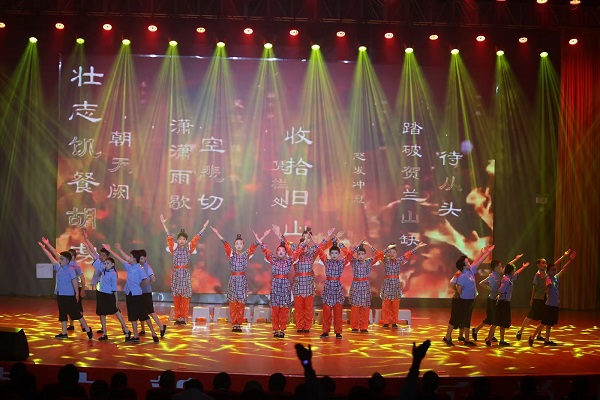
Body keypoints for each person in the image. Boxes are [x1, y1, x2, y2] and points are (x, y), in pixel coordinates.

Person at [212, 227, 269, 332]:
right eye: (237, 244)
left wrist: (263, 236)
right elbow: (225, 243)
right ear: (234, 245)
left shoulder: (245, 255)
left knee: (241, 304)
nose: (238, 245)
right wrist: (217, 233)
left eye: (240, 244)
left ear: (243, 246)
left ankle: (239, 323)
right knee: (233, 303)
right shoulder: (231, 254)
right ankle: (234, 323)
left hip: (242, 280)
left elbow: (254, 245)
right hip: (233, 280)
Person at [274, 225, 328, 333]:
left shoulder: (312, 251)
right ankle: (299, 325)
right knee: (298, 306)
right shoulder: (295, 248)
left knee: (308, 307)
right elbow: (286, 244)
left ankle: (307, 326)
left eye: (308, 238)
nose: (306, 240)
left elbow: (322, 246)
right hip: (298, 282)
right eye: (304, 237)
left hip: (309, 282)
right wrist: (279, 234)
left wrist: (327, 236)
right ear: (301, 238)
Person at [160, 214, 210, 325]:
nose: (182, 241)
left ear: (186, 241)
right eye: (180, 239)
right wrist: (163, 224)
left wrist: (204, 228)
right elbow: (168, 236)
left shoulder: (189, 248)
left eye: (184, 239)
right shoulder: (173, 248)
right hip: (176, 274)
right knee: (176, 296)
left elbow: (196, 238)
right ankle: (178, 317)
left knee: (185, 297)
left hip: (185, 274)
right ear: (177, 240)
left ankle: (183, 317)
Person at [38, 242, 94, 340]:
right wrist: (44, 248)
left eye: (62, 259)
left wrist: (77, 293)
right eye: (60, 259)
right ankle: (64, 333)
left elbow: (75, 282)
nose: (59, 260)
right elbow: (50, 256)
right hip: (61, 295)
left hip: (69, 296)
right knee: (63, 313)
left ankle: (87, 329)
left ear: (68, 260)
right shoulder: (58, 267)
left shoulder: (71, 269)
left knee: (76, 314)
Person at [81, 229, 130, 340]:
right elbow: (93, 255)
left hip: (109, 295)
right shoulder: (103, 267)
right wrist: (87, 245)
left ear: (111, 264)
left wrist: (116, 301)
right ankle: (104, 333)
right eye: (105, 262)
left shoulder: (112, 273)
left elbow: (114, 289)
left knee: (116, 312)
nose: (104, 262)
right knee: (101, 313)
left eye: (107, 262)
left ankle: (126, 329)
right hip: (101, 293)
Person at [442, 245, 495, 346]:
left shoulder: (470, 270)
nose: (469, 263)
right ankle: (447, 337)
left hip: (469, 300)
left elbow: (478, 261)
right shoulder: (462, 276)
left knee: (466, 319)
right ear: (463, 266)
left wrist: (485, 253)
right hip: (462, 301)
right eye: (467, 262)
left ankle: (466, 339)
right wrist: (460, 294)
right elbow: (458, 289)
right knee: (455, 319)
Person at [103, 245, 158, 342]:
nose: (129, 257)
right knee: (132, 316)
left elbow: (146, 280)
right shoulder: (129, 267)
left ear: (134, 259)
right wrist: (110, 250)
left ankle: (153, 333)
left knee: (144, 315)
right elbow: (119, 258)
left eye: (130, 256)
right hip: (129, 294)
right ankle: (136, 336)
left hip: (137, 295)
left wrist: (138, 286)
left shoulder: (140, 268)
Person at [516, 249, 571, 341]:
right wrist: (532, 298)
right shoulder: (537, 275)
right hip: (538, 297)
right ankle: (520, 331)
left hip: (545, 298)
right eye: (543, 263)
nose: (545, 264)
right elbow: (534, 287)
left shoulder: (547, 272)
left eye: (545, 263)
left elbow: (556, 263)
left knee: (542, 317)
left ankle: (539, 335)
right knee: (530, 315)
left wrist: (564, 256)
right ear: (538, 265)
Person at [255, 230, 301, 338]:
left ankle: (282, 329)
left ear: (286, 252)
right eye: (278, 250)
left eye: (283, 250)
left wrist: (305, 242)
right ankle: (276, 329)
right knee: (275, 309)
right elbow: (266, 249)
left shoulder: (289, 260)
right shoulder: (273, 260)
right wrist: (260, 239)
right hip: (275, 286)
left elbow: (298, 251)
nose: (280, 252)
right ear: (276, 252)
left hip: (285, 286)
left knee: (284, 309)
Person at [113, 245, 167, 338]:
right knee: (140, 313)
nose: (140, 260)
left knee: (148, 312)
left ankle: (160, 327)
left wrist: (139, 285)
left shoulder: (144, 268)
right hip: (137, 292)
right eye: (140, 258)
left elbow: (152, 279)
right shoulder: (134, 266)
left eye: (142, 258)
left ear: (145, 258)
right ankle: (142, 330)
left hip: (144, 292)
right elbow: (125, 259)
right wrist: (119, 249)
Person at [373, 241, 427, 328]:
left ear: (396, 253)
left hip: (396, 285)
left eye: (394, 252)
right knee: (386, 304)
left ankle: (394, 322)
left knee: (395, 304)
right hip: (387, 284)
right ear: (388, 253)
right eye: (390, 252)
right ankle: (386, 322)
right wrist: (387, 248)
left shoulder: (399, 261)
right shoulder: (386, 260)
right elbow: (379, 254)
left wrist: (417, 247)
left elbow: (408, 254)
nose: (392, 254)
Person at [529, 251, 576, 346]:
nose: (554, 271)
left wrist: (570, 260)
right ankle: (532, 337)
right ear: (548, 271)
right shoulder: (548, 279)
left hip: (554, 304)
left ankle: (547, 340)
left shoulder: (556, 277)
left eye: (555, 270)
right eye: (552, 270)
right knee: (543, 323)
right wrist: (548, 291)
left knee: (549, 324)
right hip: (549, 305)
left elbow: (564, 268)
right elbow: (547, 289)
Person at [316, 231, 352, 339]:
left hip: (337, 288)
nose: (334, 255)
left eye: (336, 253)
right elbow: (319, 250)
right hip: (328, 288)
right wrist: (327, 237)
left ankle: (338, 332)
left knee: (338, 312)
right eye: (332, 253)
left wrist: (339, 241)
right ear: (330, 254)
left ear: (339, 254)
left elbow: (349, 254)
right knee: (326, 312)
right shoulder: (327, 261)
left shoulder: (342, 262)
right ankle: (325, 331)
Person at [485, 261, 530, 346]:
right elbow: (501, 290)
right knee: (496, 322)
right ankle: (489, 339)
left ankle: (498, 340)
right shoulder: (506, 280)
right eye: (514, 270)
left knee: (501, 323)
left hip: (504, 302)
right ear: (511, 271)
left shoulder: (509, 278)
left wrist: (523, 267)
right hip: (503, 303)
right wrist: (500, 296)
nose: (515, 272)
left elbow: (517, 273)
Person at [349, 240, 377, 333]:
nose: (360, 256)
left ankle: (364, 326)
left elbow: (379, 255)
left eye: (362, 254)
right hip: (356, 285)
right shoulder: (353, 261)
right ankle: (354, 326)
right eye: (359, 254)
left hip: (365, 286)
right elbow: (348, 254)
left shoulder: (368, 262)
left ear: (365, 255)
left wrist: (369, 245)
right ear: (357, 255)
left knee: (365, 307)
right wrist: (357, 246)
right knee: (355, 307)